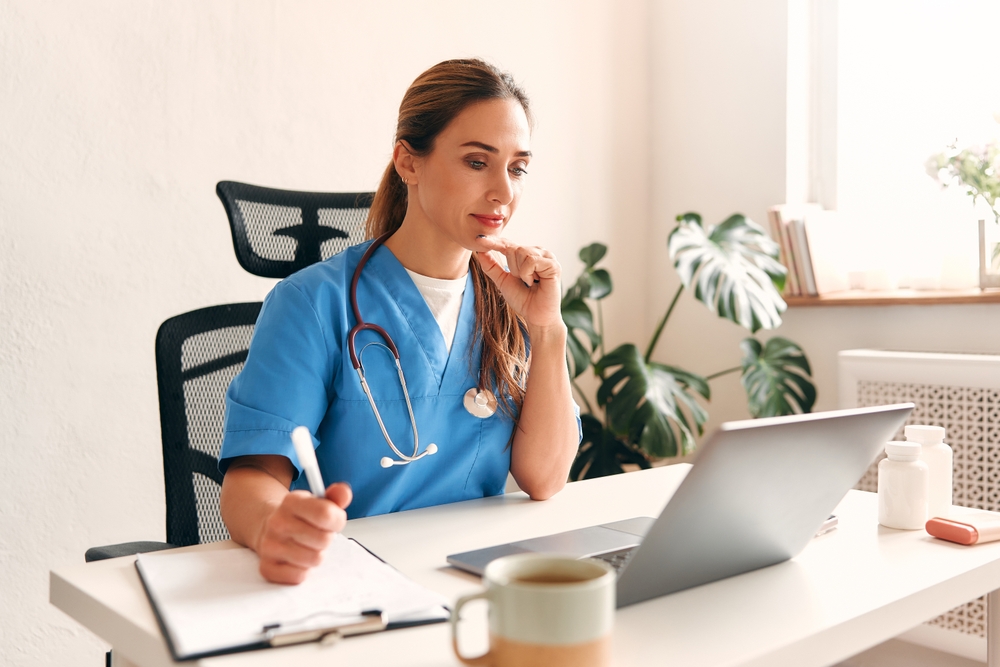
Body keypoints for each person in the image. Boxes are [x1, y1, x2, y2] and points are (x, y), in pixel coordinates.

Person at [218, 58, 580, 585]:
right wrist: (276, 525)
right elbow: (252, 478)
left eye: (517, 167)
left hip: (473, 579)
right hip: (356, 583)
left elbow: (544, 479)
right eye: (477, 162)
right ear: (408, 162)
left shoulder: (513, 303)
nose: (504, 191)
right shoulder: (312, 304)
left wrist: (547, 332)